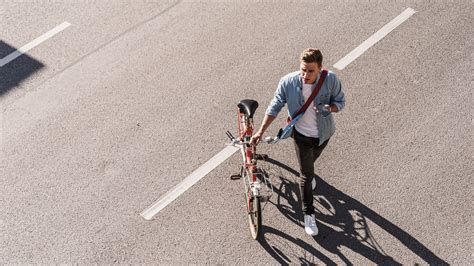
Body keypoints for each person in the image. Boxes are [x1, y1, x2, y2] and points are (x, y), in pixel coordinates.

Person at [251, 48, 345, 236]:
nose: (305, 75)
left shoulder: (331, 80)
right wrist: (261, 131)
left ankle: (309, 174)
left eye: (310, 71)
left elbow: (341, 102)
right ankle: (309, 215)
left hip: (324, 134)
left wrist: (330, 107)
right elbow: (275, 106)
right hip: (300, 135)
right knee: (306, 176)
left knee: (310, 164)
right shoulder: (288, 82)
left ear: (320, 68)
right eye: (303, 69)